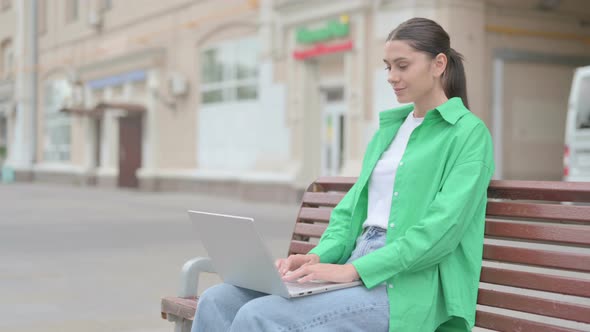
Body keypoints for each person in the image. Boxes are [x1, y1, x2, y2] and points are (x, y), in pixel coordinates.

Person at [191, 17, 494, 332]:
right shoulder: (389, 131)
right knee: (218, 300)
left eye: (402, 66)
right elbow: (349, 214)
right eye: (388, 66)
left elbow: (442, 231)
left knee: (260, 316)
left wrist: (356, 270)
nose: (392, 77)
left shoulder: (468, 134)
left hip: (408, 286)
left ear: (439, 64)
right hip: (355, 262)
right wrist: (316, 257)